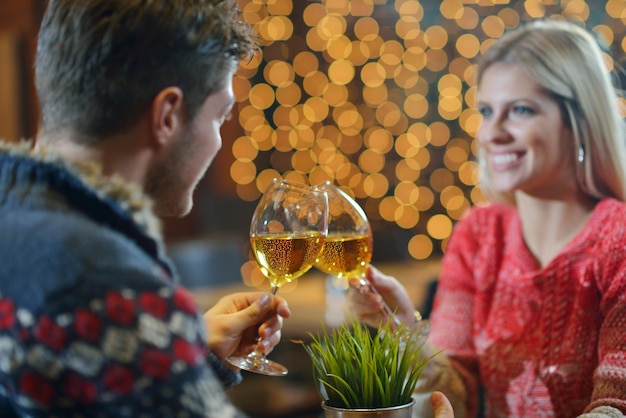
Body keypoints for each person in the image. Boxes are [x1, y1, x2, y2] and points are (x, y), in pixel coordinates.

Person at [0, 0, 291, 416]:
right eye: (221, 116)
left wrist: (178, 351)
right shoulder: (106, 286)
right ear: (167, 116)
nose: (219, 141)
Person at [347, 19, 626, 418]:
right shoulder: (478, 234)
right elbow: (456, 390)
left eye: (521, 110)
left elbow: (617, 406)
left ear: (579, 120)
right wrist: (403, 332)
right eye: (487, 110)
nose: (492, 133)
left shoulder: (619, 238)